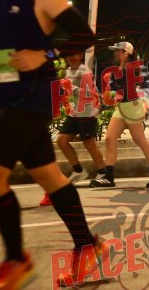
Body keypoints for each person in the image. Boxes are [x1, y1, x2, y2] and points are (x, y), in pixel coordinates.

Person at [0, 0, 109, 287]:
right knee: (49, 176)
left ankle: (16, 261)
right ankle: (88, 245)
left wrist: (46, 54)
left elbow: (85, 36)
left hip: (32, 97)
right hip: (10, 97)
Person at [90, 41, 149, 189]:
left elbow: (123, 89)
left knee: (140, 140)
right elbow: (115, 91)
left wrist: (110, 86)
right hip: (122, 107)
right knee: (110, 138)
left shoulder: (131, 69)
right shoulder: (118, 69)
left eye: (117, 51)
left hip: (132, 107)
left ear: (125, 53)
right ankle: (109, 177)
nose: (114, 53)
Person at [40, 51, 108, 206]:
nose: (70, 56)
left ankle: (103, 172)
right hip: (74, 113)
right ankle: (78, 170)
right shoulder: (68, 71)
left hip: (87, 112)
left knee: (89, 143)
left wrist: (72, 88)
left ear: (80, 56)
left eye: (74, 54)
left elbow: (92, 93)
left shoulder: (85, 72)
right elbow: (67, 92)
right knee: (61, 141)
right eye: (69, 54)